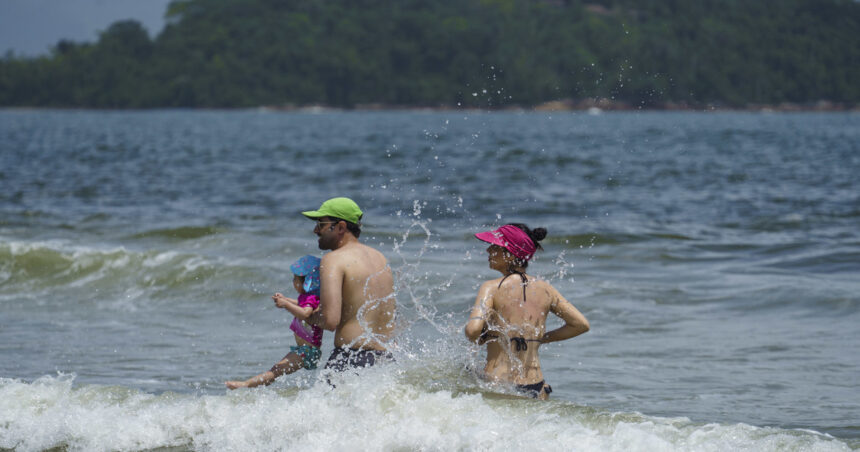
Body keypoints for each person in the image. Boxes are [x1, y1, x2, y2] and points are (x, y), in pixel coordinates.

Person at [464, 223, 590, 399]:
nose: (488, 251)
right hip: (537, 387)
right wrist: (539, 340)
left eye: (494, 246)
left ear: (510, 253)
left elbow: (472, 331)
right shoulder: (546, 288)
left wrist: (481, 337)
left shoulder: (491, 287)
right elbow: (581, 325)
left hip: (499, 385)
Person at [302, 197, 396, 372]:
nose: (316, 230)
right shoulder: (380, 258)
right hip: (387, 360)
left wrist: (303, 313)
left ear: (341, 227)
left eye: (321, 224)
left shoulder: (333, 260)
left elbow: (330, 320)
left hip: (351, 358)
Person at [225, 255, 324, 389]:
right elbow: (301, 304)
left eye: (296, 279)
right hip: (303, 350)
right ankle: (250, 386)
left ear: (308, 282)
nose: (293, 282)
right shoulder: (307, 298)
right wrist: (286, 299)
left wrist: (286, 305)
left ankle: (245, 385)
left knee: (275, 371)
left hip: (307, 352)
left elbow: (305, 313)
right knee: (276, 370)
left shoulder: (312, 298)